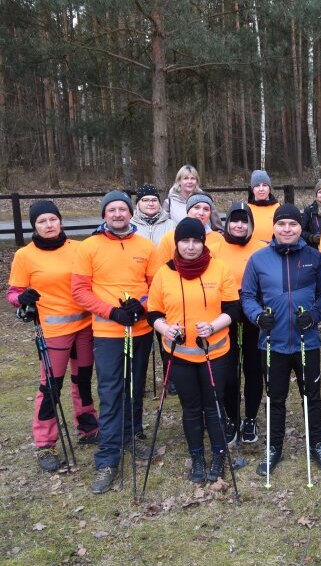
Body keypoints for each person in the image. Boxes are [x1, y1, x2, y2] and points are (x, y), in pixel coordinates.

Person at [71, 190, 159, 494]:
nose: (118, 214)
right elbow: (80, 291)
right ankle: (107, 457)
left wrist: (142, 305)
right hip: (108, 332)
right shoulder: (89, 247)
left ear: (130, 212)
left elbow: (156, 284)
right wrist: (112, 312)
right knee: (111, 391)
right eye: (112, 210)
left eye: (123, 209)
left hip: (141, 329)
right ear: (104, 215)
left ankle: (132, 435)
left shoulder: (145, 246)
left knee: (135, 386)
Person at [242, 204, 321, 476]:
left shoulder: (314, 258)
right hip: (272, 342)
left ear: (299, 228)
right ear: (273, 227)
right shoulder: (258, 259)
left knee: (312, 396)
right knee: (275, 397)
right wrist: (258, 317)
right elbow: (247, 296)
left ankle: (317, 443)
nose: (287, 229)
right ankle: (274, 447)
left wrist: (315, 315)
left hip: (307, 341)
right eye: (281, 224)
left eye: (292, 225)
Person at [8, 201, 99, 471]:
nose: (49, 225)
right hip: (53, 331)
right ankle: (45, 443)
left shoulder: (80, 248)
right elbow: (13, 293)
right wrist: (21, 298)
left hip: (84, 326)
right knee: (50, 387)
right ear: (34, 226)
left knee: (83, 381)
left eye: (53, 219)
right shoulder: (25, 256)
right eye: (42, 221)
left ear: (60, 221)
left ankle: (88, 427)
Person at [146, 218, 240, 483]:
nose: (190, 246)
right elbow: (153, 312)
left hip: (215, 353)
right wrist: (164, 328)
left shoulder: (219, 269)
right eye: (185, 241)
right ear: (176, 243)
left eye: (196, 241)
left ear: (203, 242)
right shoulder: (165, 273)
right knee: (190, 408)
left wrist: (213, 326)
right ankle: (197, 456)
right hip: (180, 354)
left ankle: (219, 455)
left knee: (214, 406)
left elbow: (233, 309)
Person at [218, 203, 267, 443]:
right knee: (228, 372)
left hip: (253, 317)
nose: (239, 225)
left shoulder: (260, 249)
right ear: (227, 223)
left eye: (244, 221)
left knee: (253, 369)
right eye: (235, 220)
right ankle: (231, 417)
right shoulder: (215, 247)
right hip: (225, 317)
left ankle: (250, 418)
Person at [157, 193, 224, 264]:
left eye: (206, 209)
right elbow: (161, 268)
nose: (201, 213)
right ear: (188, 210)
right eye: (196, 207)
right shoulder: (169, 238)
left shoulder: (219, 239)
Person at [163, 165, 223, 231]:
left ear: (197, 181)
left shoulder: (206, 201)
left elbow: (218, 229)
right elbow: (164, 228)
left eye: (192, 178)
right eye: (186, 178)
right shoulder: (169, 203)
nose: (190, 182)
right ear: (179, 181)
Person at [246, 169, 280, 244]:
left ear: (269, 188)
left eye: (264, 185)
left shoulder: (278, 208)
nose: (261, 189)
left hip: (274, 250)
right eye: (257, 186)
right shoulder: (246, 209)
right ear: (252, 189)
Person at [301, 179, 321, 250]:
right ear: (316, 195)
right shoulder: (309, 210)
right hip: (314, 248)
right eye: (320, 192)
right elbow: (301, 231)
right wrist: (311, 237)